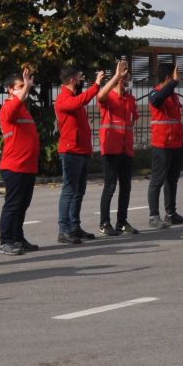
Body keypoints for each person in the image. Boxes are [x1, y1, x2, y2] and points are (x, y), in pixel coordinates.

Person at [54, 64, 115, 244]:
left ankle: (74, 227)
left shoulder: (73, 97)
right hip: (70, 151)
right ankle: (64, 230)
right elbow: (79, 102)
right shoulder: (63, 99)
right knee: (69, 190)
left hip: (81, 151)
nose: (82, 80)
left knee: (79, 191)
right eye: (80, 78)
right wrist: (96, 85)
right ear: (72, 80)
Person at [0, 66, 41, 256]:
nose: (24, 89)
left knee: (23, 204)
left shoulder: (23, 109)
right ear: (9, 89)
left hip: (27, 166)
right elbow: (16, 103)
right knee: (13, 204)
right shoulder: (9, 107)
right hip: (15, 166)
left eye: (24, 85)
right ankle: (6, 241)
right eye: (19, 86)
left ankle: (17, 237)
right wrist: (27, 88)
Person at [97, 57, 139, 236]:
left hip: (126, 149)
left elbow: (133, 120)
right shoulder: (109, 97)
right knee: (110, 186)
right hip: (111, 148)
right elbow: (100, 96)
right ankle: (104, 224)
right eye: (123, 77)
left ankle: (122, 222)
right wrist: (115, 77)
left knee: (126, 187)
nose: (126, 80)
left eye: (127, 76)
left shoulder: (130, 99)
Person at [147, 62, 183, 229]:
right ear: (168, 78)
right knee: (157, 181)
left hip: (176, 144)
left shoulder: (174, 96)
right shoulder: (155, 93)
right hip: (162, 144)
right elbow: (157, 100)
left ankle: (171, 214)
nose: (178, 78)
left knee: (172, 180)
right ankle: (153, 216)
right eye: (175, 75)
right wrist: (173, 82)